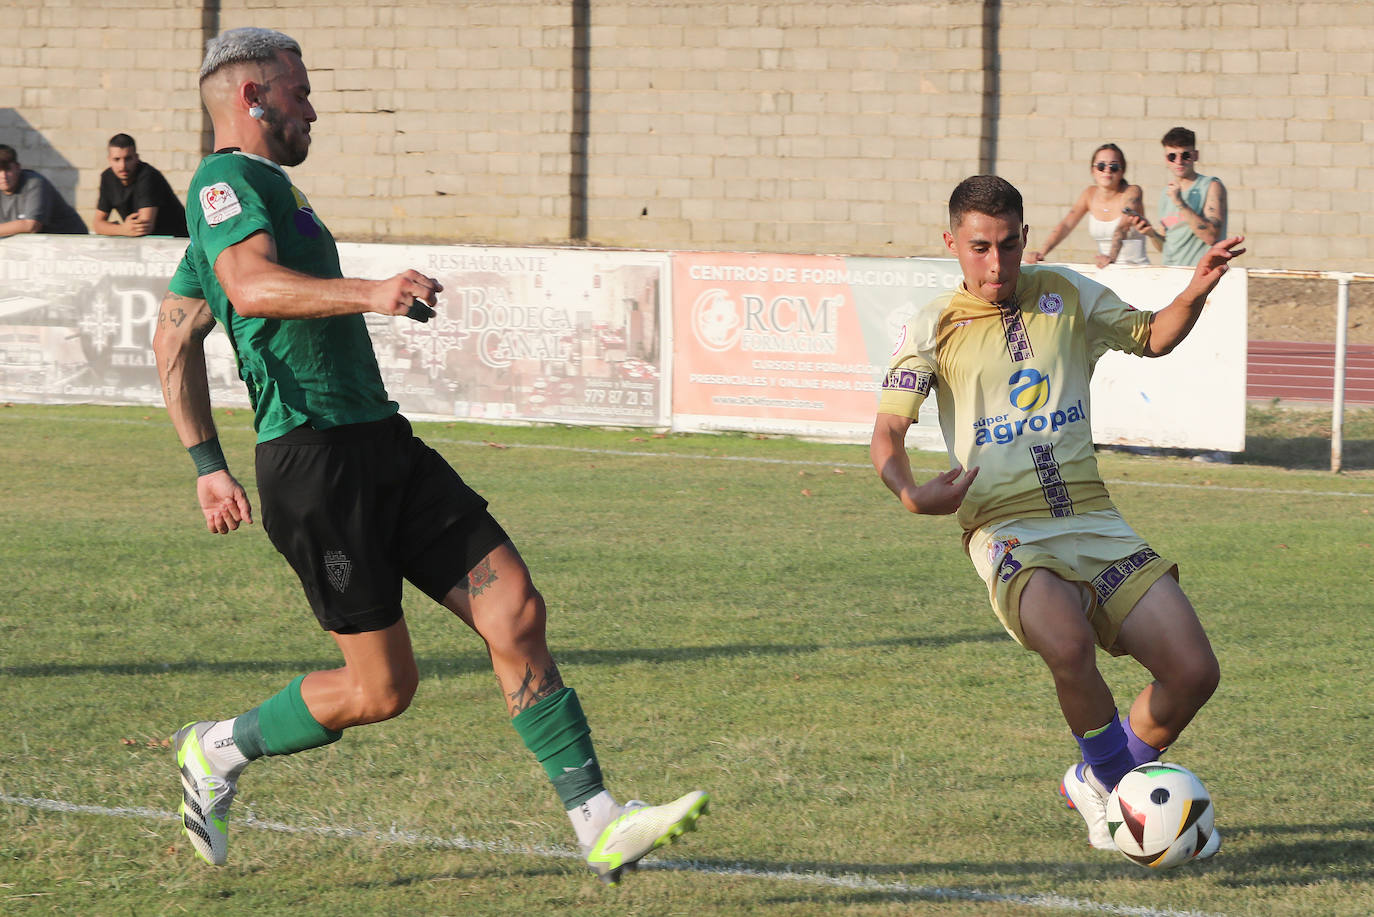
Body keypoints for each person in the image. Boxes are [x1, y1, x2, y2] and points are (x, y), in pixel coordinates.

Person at [153, 27, 706, 884]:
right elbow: (250, 290)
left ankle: (601, 823)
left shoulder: (260, 198)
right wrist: (370, 295)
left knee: (515, 609)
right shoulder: (224, 182)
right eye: (298, 91)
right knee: (381, 689)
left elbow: (175, 330)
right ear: (253, 97)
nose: (312, 106)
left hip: (381, 442)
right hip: (314, 463)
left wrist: (203, 462)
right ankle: (217, 749)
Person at [870, 175, 1242, 856]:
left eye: (1010, 246)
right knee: (1066, 644)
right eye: (980, 247)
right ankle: (1119, 792)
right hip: (1006, 525)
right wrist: (910, 491)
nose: (996, 264)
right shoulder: (934, 323)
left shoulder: (1066, 294)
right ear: (951, 243)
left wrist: (1194, 289)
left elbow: (1151, 336)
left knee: (1194, 672)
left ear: (1024, 238)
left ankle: (1096, 779)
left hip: (1092, 516)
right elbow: (887, 435)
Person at [1024, 143, 1150, 267]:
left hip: (1135, 269)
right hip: (1107, 268)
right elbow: (1066, 225)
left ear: (1122, 171)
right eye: (1101, 166)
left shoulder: (1132, 192)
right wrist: (1041, 253)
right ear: (1093, 171)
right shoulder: (1089, 194)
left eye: (1114, 166)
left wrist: (1111, 257)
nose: (1107, 170)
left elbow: (1123, 227)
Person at [1129, 127, 1227, 267]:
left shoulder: (1211, 186)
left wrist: (1179, 202)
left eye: (1185, 155)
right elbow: (1165, 247)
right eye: (1172, 156)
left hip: (1201, 274)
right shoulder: (1166, 193)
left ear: (1195, 156)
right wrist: (1151, 234)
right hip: (1171, 273)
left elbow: (1211, 236)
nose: (1179, 161)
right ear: (1166, 159)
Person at [93, 134, 188, 237]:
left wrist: (113, 229)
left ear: (136, 158)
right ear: (109, 160)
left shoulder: (148, 176)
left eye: (128, 159)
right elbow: (97, 225)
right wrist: (122, 229)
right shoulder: (107, 178)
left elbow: (144, 227)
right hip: (146, 245)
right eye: (117, 159)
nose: (123, 166)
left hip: (177, 242)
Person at [0, 144, 87, 236]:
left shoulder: (34, 182)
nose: (3, 176)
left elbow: (31, 226)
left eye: (8, 169)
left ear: (18, 167)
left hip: (72, 243)